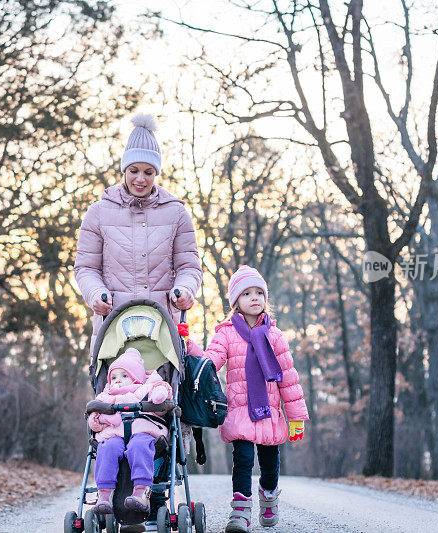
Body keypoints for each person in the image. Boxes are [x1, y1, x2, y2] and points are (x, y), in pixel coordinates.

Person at [188, 265, 308, 533]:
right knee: (242, 460)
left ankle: (268, 496)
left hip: (269, 413)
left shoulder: (275, 337)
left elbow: (289, 379)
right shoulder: (227, 334)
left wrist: (296, 417)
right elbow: (210, 362)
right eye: (247, 294)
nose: (254, 298)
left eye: (259, 293)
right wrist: (190, 348)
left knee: (269, 463)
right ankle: (240, 513)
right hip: (241, 411)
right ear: (236, 303)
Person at [73, 113, 202, 353]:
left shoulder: (176, 213)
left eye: (148, 172)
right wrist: (96, 293)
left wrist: (185, 290)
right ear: (124, 169)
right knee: (117, 389)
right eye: (134, 170)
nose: (140, 179)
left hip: (163, 327)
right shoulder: (98, 213)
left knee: (162, 390)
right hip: (113, 326)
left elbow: (189, 266)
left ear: (156, 174)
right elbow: (86, 267)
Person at [88, 349, 173, 515]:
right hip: (114, 435)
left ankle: (141, 491)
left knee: (139, 445)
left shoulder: (147, 388)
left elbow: (163, 391)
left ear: (136, 377)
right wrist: (101, 419)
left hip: (143, 431)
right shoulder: (106, 396)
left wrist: (159, 395)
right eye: (114, 377)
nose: (118, 380)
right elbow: (94, 421)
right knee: (107, 448)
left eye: (124, 376)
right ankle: (105, 494)